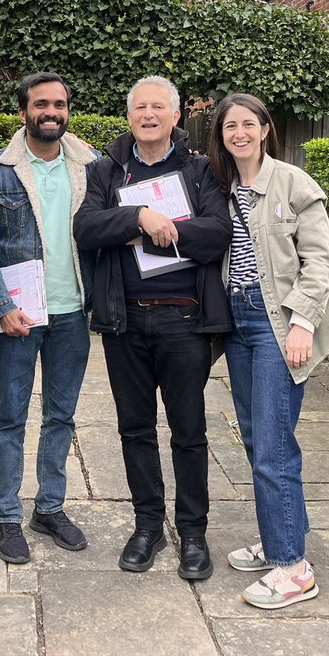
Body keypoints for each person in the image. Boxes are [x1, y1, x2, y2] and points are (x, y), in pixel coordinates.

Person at [73, 75, 231, 581]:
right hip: (125, 321)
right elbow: (86, 228)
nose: (148, 115)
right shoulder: (105, 170)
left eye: (158, 107)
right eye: (139, 107)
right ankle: (148, 525)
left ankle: (193, 532)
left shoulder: (201, 170)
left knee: (189, 432)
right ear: (128, 116)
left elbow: (216, 234)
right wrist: (139, 214)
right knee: (134, 429)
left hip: (185, 319)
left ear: (175, 116)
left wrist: (170, 230)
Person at [206, 93, 329, 610]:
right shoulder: (222, 186)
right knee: (256, 438)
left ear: (266, 128)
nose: (239, 133)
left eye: (249, 124)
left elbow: (320, 264)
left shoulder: (294, 184)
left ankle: (293, 567)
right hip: (239, 324)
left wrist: (303, 324)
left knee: (272, 447)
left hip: (278, 322)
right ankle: (279, 538)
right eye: (229, 126)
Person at [0, 72, 99, 564]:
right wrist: (3, 306)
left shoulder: (89, 166)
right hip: (21, 316)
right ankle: (7, 516)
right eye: (42, 104)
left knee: (61, 416)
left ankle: (49, 507)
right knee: (10, 417)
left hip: (72, 315)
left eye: (60, 104)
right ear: (24, 111)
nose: (52, 112)